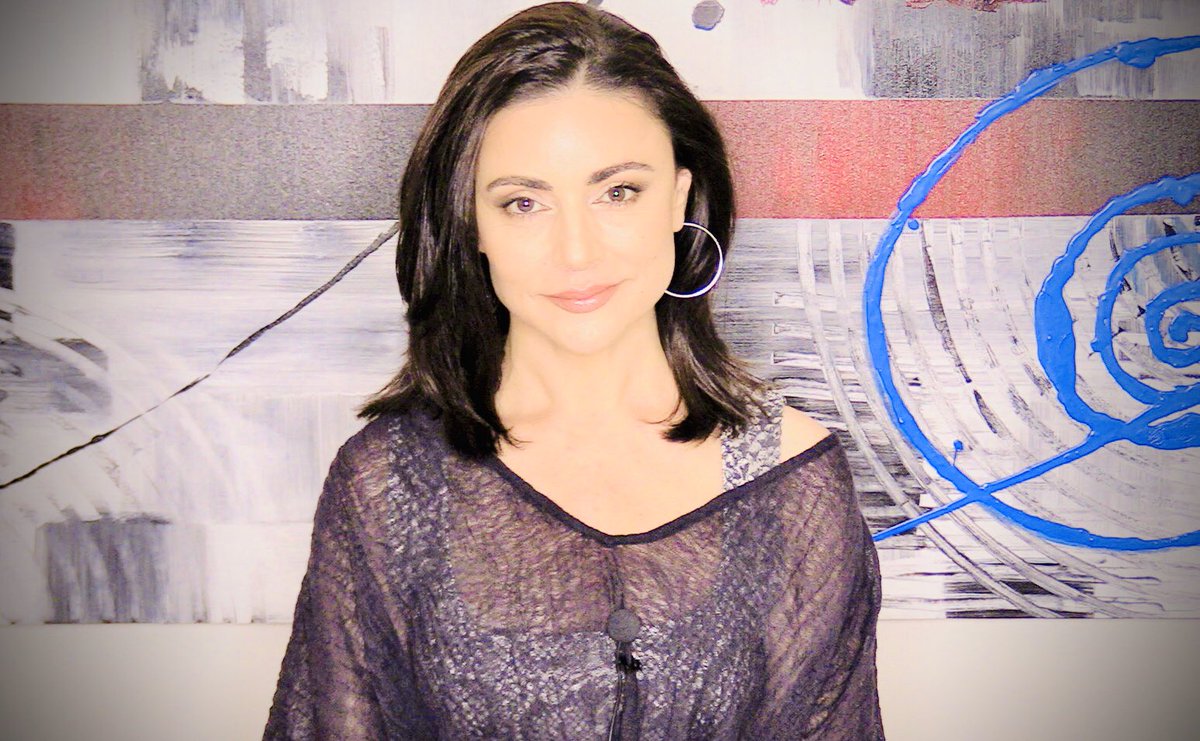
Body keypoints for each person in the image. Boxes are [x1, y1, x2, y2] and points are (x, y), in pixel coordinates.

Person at [264, 3, 884, 739]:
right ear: (471, 222)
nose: (577, 252)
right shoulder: (388, 484)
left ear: (679, 198)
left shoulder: (792, 478)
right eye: (524, 202)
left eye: (618, 191)